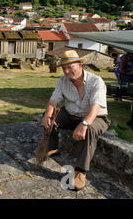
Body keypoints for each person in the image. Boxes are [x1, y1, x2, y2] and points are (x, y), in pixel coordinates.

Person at [42, 50, 111, 191]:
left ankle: (80, 172)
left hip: (95, 116)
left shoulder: (96, 81)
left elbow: (96, 107)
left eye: (70, 67)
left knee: (90, 129)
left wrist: (84, 123)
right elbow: (52, 102)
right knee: (50, 115)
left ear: (80, 65)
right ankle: (53, 147)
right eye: (64, 68)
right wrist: (47, 116)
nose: (66, 72)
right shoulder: (62, 80)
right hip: (71, 113)